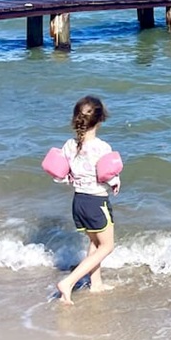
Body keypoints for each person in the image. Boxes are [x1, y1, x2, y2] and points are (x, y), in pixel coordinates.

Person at [54, 95, 121, 304]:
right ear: (100, 119)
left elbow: (61, 175)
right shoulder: (102, 147)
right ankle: (69, 282)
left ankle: (96, 283)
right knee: (107, 246)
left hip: (79, 202)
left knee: (94, 242)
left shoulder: (69, 145)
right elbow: (107, 174)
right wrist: (115, 183)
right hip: (96, 202)